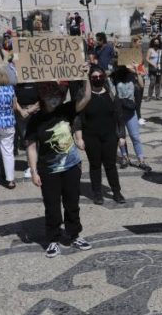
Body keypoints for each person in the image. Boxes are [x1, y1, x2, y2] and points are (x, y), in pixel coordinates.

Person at [25, 74, 92, 258]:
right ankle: (53, 239)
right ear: (43, 96)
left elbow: (86, 97)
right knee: (52, 206)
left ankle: (74, 234)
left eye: (57, 94)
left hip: (71, 166)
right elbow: (31, 147)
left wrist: (84, 77)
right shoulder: (35, 120)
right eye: (50, 94)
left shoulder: (66, 110)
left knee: (72, 203)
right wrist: (34, 171)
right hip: (49, 170)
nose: (55, 98)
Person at [75, 66, 126, 204]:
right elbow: (78, 118)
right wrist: (79, 138)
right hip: (91, 136)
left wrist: (121, 136)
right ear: (90, 79)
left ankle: (116, 191)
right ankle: (97, 193)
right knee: (95, 165)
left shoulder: (111, 93)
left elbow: (119, 116)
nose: (97, 79)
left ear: (104, 77)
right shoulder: (84, 95)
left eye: (100, 77)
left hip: (110, 136)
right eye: (94, 77)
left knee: (110, 165)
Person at [111, 63, 150, 172]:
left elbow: (141, 85)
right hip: (119, 110)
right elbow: (110, 90)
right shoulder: (115, 76)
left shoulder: (132, 76)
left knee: (135, 136)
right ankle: (124, 157)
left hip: (130, 110)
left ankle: (141, 160)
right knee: (121, 136)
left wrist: (137, 72)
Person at [146, 36, 162, 100]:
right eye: (155, 42)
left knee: (158, 83)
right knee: (152, 82)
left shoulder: (160, 50)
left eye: (158, 42)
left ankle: (158, 96)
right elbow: (147, 59)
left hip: (159, 69)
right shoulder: (150, 50)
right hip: (152, 69)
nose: (156, 43)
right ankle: (149, 96)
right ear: (153, 43)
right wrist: (153, 64)